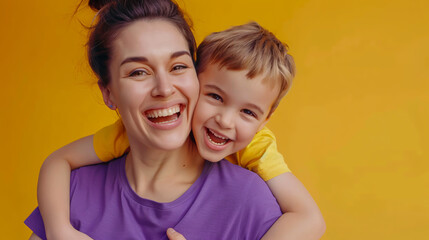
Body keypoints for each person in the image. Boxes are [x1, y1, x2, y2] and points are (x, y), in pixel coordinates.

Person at [29, 1, 326, 240]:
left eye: (178, 66)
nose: (164, 89)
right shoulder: (71, 194)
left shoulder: (252, 198)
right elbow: (58, 161)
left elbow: (311, 220)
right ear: (109, 93)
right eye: (138, 72)